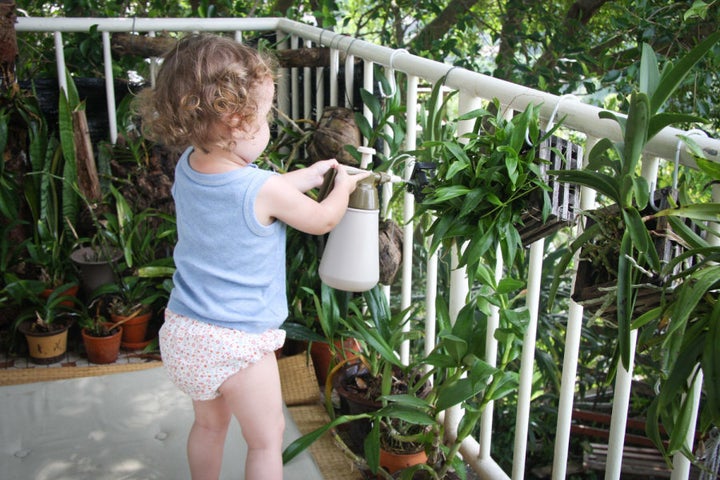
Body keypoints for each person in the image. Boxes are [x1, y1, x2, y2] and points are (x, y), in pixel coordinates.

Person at [134, 33, 369, 480]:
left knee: (208, 425)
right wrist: (342, 186)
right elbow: (320, 220)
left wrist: (312, 173)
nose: (267, 129)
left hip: (186, 331)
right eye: (264, 121)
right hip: (237, 340)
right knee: (265, 439)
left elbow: (264, 191)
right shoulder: (261, 189)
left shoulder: (189, 164)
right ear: (237, 123)